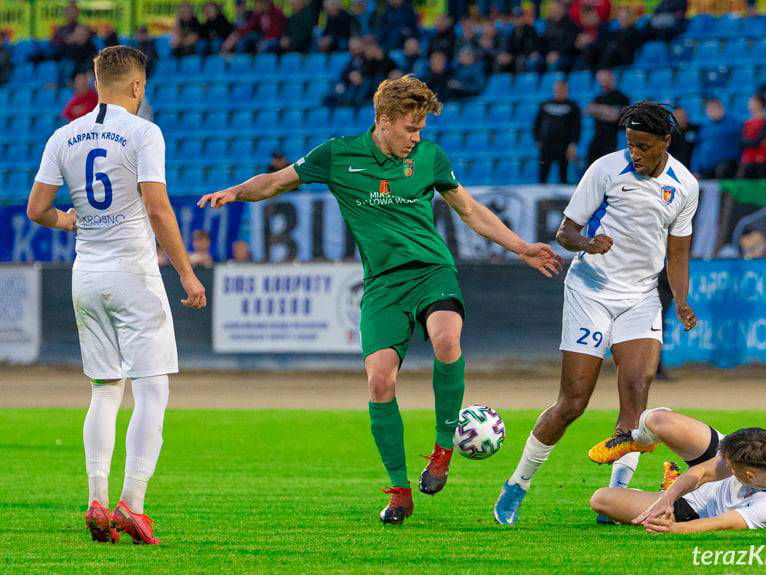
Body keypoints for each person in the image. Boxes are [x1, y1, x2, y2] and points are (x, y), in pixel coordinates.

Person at [198, 75, 561, 525]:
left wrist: (521, 246)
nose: (417, 138)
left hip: (432, 271)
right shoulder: (338, 155)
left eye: (421, 129)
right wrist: (236, 191)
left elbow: (471, 211)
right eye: (411, 128)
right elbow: (276, 182)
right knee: (379, 383)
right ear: (384, 121)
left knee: (447, 341)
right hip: (383, 286)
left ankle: (443, 448)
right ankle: (399, 491)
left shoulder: (430, 157)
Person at [27, 46, 206, 545]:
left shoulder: (64, 135)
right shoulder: (143, 132)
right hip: (133, 274)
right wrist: (187, 274)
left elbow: (37, 208)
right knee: (152, 389)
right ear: (136, 86)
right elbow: (157, 207)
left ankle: (97, 500)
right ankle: (133, 503)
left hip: (86, 274)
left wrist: (67, 220)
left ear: (95, 81)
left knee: (105, 390)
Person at [494, 102, 698, 526]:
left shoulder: (685, 186)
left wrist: (679, 298)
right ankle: (517, 485)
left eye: (643, 146)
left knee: (637, 392)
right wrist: (587, 244)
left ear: (665, 142)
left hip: (641, 297)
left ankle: (616, 497)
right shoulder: (606, 170)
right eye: (630, 145)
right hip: (591, 291)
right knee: (572, 402)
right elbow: (565, 232)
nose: (635, 153)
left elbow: (678, 254)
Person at [589, 408, 766, 532]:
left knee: (600, 500)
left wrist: (673, 528)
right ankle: (639, 441)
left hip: (697, 507)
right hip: (716, 467)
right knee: (656, 418)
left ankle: (661, 490)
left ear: (749, 476)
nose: (727, 465)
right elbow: (704, 472)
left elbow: (719, 522)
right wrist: (669, 498)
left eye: (730, 466)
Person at [533, 79, 581, 184]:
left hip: (563, 146)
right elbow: (536, 124)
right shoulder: (545, 105)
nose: (560, 91)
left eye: (563, 89)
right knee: (543, 174)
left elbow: (577, 127)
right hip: (546, 146)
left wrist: (573, 144)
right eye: (558, 89)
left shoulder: (573, 106)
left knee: (563, 175)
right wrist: (537, 140)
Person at [586, 69, 629, 165]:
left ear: (611, 78)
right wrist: (606, 111)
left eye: (604, 78)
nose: (602, 82)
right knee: (591, 165)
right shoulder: (598, 97)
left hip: (613, 137)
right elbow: (588, 110)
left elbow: (615, 116)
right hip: (598, 136)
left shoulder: (622, 97)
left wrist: (599, 111)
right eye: (600, 79)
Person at [691, 99, 741, 179]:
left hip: (725, 168)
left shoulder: (734, 124)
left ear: (722, 109)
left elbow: (740, 145)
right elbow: (698, 149)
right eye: (710, 110)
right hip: (705, 170)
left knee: (723, 170)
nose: (712, 112)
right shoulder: (704, 127)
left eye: (715, 108)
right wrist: (695, 169)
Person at [740, 94, 766, 179]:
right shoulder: (747, 123)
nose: (749, 105)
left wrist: (748, 142)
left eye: (752, 102)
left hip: (761, 162)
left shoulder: (765, 123)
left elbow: (757, 142)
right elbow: (741, 142)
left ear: (760, 104)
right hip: (748, 161)